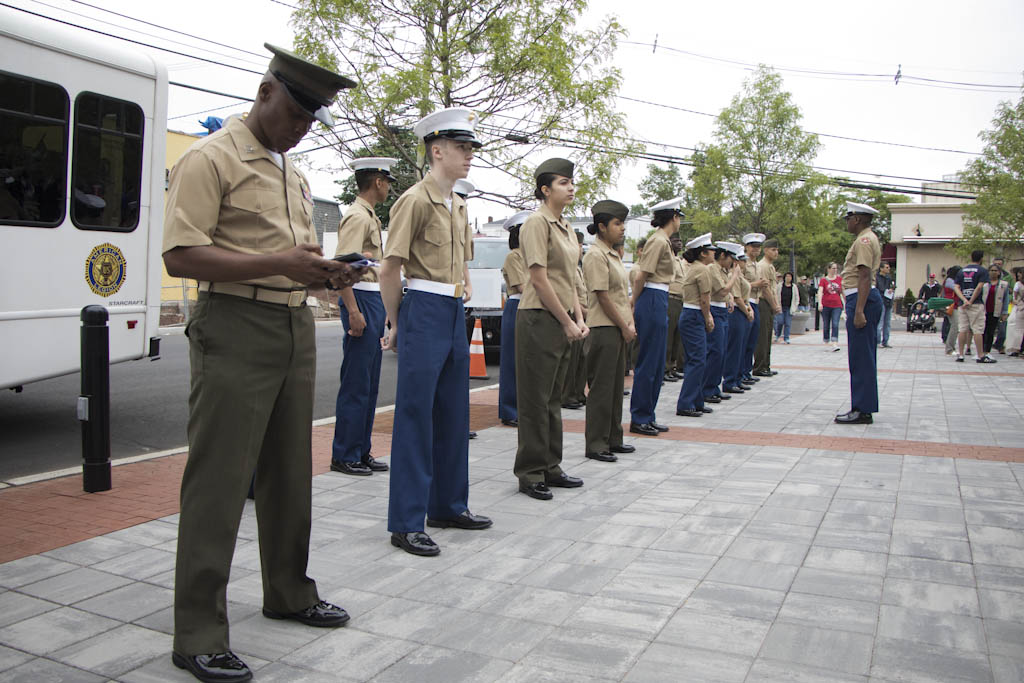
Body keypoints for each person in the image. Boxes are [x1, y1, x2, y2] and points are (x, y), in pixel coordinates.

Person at [162, 44, 358, 683]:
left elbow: (286, 252)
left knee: (288, 471)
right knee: (219, 481)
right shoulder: (210, 159)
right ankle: (197, 630)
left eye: (312, 120)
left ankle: (288, 591)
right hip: (235, 324)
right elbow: (182, 256)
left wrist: (322, 272)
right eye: (296, 113)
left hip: (293, 322)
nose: (301, 128)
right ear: (266, 91)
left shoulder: (291, 171)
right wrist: (280, 264)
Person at [380, 107, 492, 557]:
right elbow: (390, 268)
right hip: (422, 308)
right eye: (462, 149)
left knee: (453, 412)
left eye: (470, 149)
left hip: (450, 310)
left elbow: (461, 261)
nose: (469, 156)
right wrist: (395, 320)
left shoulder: (459, 204)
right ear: (437, 150)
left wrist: (462, 285)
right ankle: (406, 521)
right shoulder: (414, 200)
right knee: (414, 415)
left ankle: (447, 504)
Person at [515, 158, 589, 500]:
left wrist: (579, 318)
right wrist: (565, 321)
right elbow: (539, 278)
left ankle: (551, 465)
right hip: (539, 317)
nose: (571, 187)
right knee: (535, 399)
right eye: (563, 182)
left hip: (563, 317)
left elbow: (570, 277)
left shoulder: (567, 227)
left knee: (554, 398)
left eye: (571, 182)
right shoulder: (536, 223)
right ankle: (530, 472)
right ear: (545, 190)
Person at [329, 157, 396, 476]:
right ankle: (344, 453)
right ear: (378, 182)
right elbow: (343, 267)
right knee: (356, 382)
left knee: (368, 383)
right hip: (360, 299)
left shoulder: (367, 215)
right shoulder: (357, 216)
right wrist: (353, 310)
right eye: (387, 183)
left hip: (372, 299)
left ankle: (361, 449)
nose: (388, 189)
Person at [582, 200, 636, 462]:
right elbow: (602, 296)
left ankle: (614, 438)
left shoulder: (613, 254)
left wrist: (629, 323)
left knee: (616, 387)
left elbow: (620, 295)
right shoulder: (595, 255)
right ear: (601, 227)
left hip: (618, 327)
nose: (622, 228)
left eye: (623, 223)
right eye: (617, 223)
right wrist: (624, 325)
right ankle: (595, 443)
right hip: (604, 328)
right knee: (602, 388)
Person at [629, 197, 682, 436]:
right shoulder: (658, 241)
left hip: (659, 297)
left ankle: (648, 415)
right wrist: (633, 302)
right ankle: (639, 417)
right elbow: (642, 275)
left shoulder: (663, 241)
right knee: (649, 361)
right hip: (651, 297)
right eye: (679, 216)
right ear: (674, 217)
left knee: (657, 362)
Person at [835, 201, 883, 425]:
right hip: (861, 296)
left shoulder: (864, 240)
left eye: (849, 218)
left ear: (858, 219)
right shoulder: (868, 238)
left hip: (861, 297)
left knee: (861, 357)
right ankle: (862, 406)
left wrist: (859, 310)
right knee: (863, 356)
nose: (847, 222)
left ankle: (862, 409)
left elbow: (864, 276)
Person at [675, 233, 715, 417]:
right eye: (711, 250)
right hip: (694, 314)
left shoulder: (697, 267)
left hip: (691, 314)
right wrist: (708, 318)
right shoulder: (703, 270)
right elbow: (705, 298)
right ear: (703, 253)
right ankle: (686, 402)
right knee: (697, 360)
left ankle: (696, 401)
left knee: (699, 359)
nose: (714, 253)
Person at [498, 210, 531, 427]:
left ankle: (524, 407)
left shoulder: (531, 256)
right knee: (512, 360)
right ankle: (510, 410)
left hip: (531, 305)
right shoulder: (514, 256)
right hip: (518, 304)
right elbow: (522, 286)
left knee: (527, 360)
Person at [453, 177, 480, 440]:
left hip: (456, 298)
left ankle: (457, 422)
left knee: (460, 365)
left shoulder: (462, 219)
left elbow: (462, 258)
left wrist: (468, 284)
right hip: (435, 297)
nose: (462, 204)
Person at [703, 242, 741, 405]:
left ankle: (714, 387)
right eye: (731, 258)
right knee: (715, 351)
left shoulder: (723, 270)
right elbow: (723, 289)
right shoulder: (713, 269)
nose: (732, 263)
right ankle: (708, 388)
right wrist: (734, 276)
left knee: (722, 351)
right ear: (723, 256)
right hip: (715, 310)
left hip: (723, 310)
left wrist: (730, 298)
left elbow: (727, 293)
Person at [720, 242, 754, 395]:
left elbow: (746, 297)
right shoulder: (731, 276)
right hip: (737, 314)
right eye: (742, 260)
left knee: (741, 347)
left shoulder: (740, 276)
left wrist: (749, 309)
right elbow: (738, 297)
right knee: (734, 348)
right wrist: (747, 311)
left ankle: (737, 378)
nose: (744, 263)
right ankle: (730, 380)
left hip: (743, 312)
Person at [562, 231, 588, 408]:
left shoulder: (578, 268)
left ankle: (577, 393)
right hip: (571, 314)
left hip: (581, 316)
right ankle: (567, 395)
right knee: (571, 360)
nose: (580, 249)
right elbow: (572, 294)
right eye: (579, 245)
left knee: (581, 358)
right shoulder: (569, 268)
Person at [954, 249, 992, 363]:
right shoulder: (982, 271)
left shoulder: (962, 271)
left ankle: (960, 354)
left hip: (962, 304)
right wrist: (971, 300)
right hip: (976, 304)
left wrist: (964, 299)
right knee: (977, 329)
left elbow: (956, 287)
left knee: (962, 329)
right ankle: (980, 355)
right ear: (981, 259)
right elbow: (979, 287)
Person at [740, 233, 767, 385]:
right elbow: (739, 284)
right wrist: (756, 285)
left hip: (755, 301)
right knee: (744, 340)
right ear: (747, 247)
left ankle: (746, 371)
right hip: (746, 301)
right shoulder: (743, 263)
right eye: (753, 247)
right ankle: (740, 373)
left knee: (752, 340)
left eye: (758, 247)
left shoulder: (757, 265)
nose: (756, 250)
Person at [753, 238, 782, 376]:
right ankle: (759, 367)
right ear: (765, 251)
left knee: (768, 335)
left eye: (777, 250)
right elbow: (765, 289)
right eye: (773, 250)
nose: (776, 252)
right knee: (762, 336)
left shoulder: (770, 266)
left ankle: (766, 365)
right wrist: (774, 305)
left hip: (769, 304)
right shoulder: (763, 266)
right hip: (764, 303)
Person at [665, 233, 685, 382]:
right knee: (669, 336)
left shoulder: (679, 260)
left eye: (680, 240)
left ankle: (672, 366)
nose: (679, 243)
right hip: (670, 298)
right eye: (675, 241)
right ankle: (665, 368)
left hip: (680, 300)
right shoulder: (669, 258)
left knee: (677, 336)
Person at [981, 263, 1009, 358]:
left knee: (991, 331)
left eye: (995, 271)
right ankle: (981, 350)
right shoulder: (984, 283)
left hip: (995, 311)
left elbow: (1006, 299)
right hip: (983, 310)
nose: (993, 272)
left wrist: (1004, 312)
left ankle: (987, 351)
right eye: (991, 270)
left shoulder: (1003, 285)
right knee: (982, 331)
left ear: (999, 272)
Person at [818, 262, 843, 351]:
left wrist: (846, 303)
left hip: (837, 305)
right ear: (828, 269)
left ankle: (834, 342)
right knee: (826, 324)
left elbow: (842, 292)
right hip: (826, 305)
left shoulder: (840, 279)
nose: (835, 270)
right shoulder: (823, 280)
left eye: (836, 268)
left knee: (835, 323)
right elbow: (820, 292)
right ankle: (826, 340)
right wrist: (820, 303)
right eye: (833, 268)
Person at [992, 257, 1013, 353]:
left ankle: (999, 345)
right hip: (991, 306)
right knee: (989, 329)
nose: (997, 266)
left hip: (1002, 306)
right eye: (996, 264)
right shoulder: (988, 277)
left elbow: (1011, 292)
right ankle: (987, 346)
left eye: (999, 264)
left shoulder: (1008, 277)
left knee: (1002, 329)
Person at [773, 272, 798, 343]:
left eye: (790, 277)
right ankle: (777, 335)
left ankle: (786, 338)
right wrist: (776, 305)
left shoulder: (794, 287)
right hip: (781, 307)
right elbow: (775, 295)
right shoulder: (780, 286)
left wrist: (795, 307)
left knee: (787, 323)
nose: (788, 278)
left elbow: (796, 298)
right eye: (787, 276)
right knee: (780, 322)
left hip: (789, 308)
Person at [943, 265, 962, 354]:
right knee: (954, 326)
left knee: (954, 326)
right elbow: (956, 288)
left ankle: (951, 347)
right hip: (951, 305)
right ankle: (949, 348)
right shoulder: (950, 281)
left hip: (953, 305)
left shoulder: (950, 280)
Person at [876, 262, 895, 348]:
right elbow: (878, 289)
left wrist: (892, 289)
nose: (888, 269)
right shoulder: (877, 278)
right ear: (881, 268)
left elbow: (892, 286)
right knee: (880, 322)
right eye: (887, 267)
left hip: (889, 301)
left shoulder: (889, 278)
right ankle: (878, 341)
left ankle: (886, 341)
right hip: (881, 301)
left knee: (887, 323)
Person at [1007, 268, 1024, 356]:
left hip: (1021, 308)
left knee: (1019, 329)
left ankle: (1016, 349)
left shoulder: (1018, 284)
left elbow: (1015, 297)